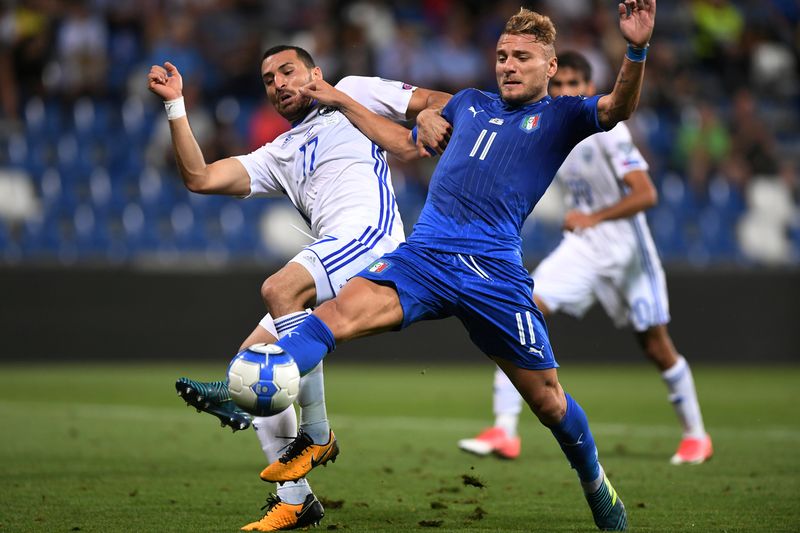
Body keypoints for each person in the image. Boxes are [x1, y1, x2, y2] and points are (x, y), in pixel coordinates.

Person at [260, 3, 657, 530]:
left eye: (522, 57)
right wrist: (371, 105)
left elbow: (618, 107)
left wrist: (635, 50)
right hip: (423, 258)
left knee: (548, 402)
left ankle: (595, 482)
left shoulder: (562, 116)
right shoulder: (469, 104)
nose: (509, 65)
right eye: (501, 55)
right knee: (332, 316)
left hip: (493, 274)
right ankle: (259, 382)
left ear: (550, 67)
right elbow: (406, 142)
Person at [147, 45, 449, 531]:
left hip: (370, 241)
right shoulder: (278, 153)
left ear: (315, 73)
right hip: (335, 252)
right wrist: (176, 105)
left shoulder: (351, 91)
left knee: (280, 288)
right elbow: (200, 178)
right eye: (268, 80)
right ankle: (295, 499)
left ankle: (316, 432)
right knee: (253, 369)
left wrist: (428, 119)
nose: (279, 84)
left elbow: (444, 101)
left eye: (287, 71)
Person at [457, 51, 713, 465]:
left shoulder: (610, 134)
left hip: (626, 249)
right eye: (559, 85)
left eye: (574, 85)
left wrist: (593, 216)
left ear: (589, 90)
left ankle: (697, 435)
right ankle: (505, 430)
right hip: (583, 247)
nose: (565, 92)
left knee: (655, 343)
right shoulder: (552, 130)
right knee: (521, 310)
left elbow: (646, 193)